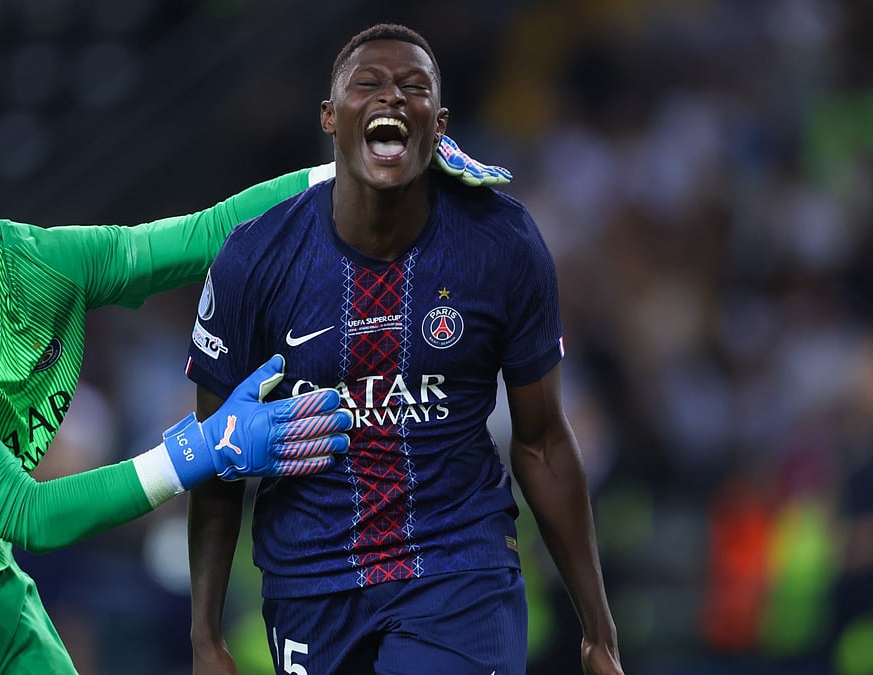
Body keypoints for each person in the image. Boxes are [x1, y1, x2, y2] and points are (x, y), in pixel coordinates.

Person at [0, 130, 499, 674]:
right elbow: (31, 514)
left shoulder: (40, 266)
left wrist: (359, 169)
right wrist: (201, 449)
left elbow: (205, 235)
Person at [184, 23, 624, 675]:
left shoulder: (501, 244)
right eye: (369, 84)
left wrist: (599, 630)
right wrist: (205, 636)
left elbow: (542, 441)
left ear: (438, 124)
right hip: (311, 583)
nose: (392, 97)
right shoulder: (256, 259)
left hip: (459, 569)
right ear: (331, 118)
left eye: (414, 87)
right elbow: (214, 458)